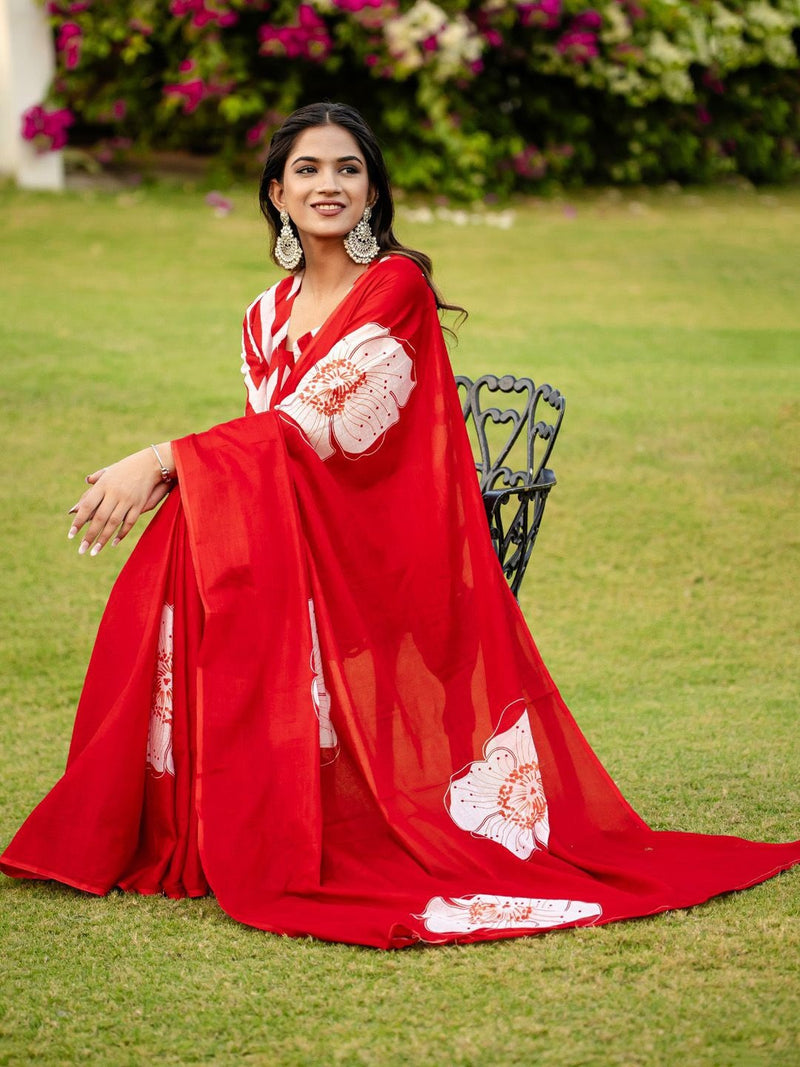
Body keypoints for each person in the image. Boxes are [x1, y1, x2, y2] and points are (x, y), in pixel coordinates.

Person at [1, 103, 797, 949]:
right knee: (187, 542)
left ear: (373, 189)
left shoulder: (397, 289)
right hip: (300, 537)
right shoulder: (264, 313)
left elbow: (318, 427)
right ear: (276, 194)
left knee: (188, 517)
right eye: (307, 170)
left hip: (383, 547)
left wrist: (161, 460)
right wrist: (190, 479)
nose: (328, 186)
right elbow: (267, 455)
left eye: (348, 169)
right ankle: (192, 814)